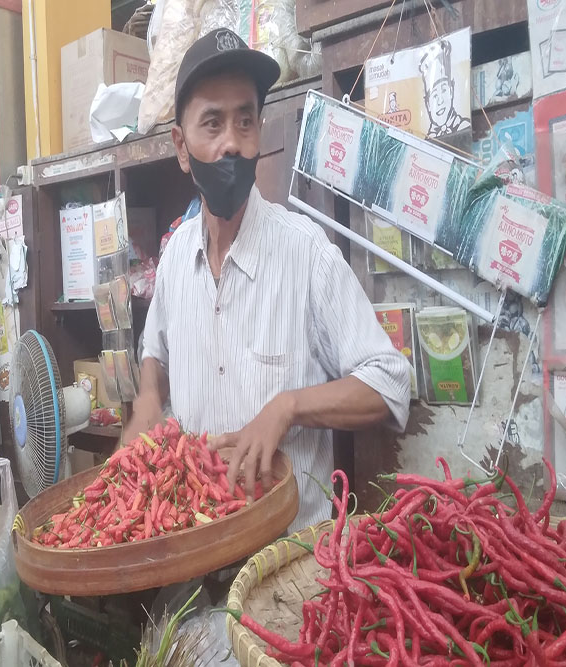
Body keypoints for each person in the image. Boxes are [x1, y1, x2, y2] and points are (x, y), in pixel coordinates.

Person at [124, 29, 412, 533]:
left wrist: (288, 407)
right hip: (195, 545)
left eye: (245, 121)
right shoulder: (174, 260)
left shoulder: (306, 255)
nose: (232, 143)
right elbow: (157, 351)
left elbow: (389, 384)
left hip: (288, 562)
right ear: (181, 146)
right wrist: (148, 395)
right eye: (212, 124)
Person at [420, 40, 471, 139]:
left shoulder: (464, 126)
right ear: (428, 104)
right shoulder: (425, 140)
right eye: (434, 95)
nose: (440, 101)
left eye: (443, 90)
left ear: (451, 90)